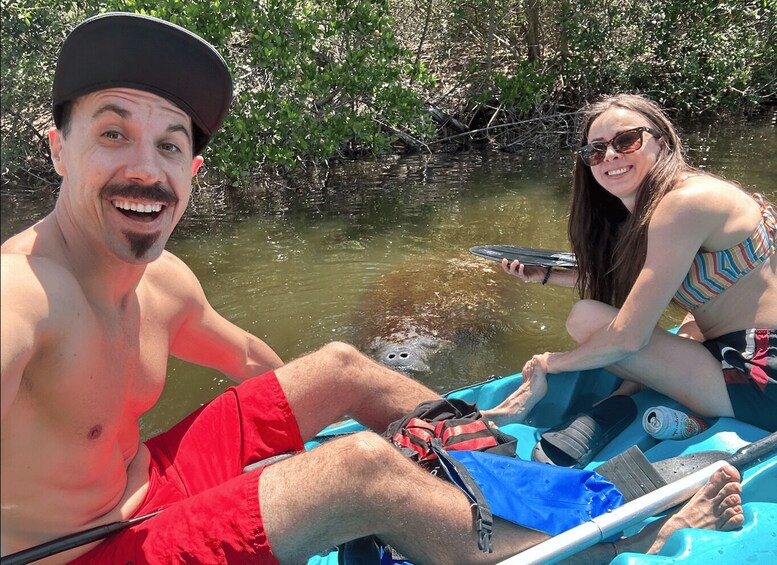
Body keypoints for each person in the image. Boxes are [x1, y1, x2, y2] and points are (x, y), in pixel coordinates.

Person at [0, 15, 745, 564]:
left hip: (149, 478)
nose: (145, 168)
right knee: (355, 469)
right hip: (84, 550)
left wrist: (292, 456)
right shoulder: (19, 294)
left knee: (338, 365)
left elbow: (260, 366)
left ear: (191, 175)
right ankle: (585, 550)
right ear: (58, 147)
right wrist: (326, 481)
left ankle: (501, 475)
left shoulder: (161, 278)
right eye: (112, 132)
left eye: (170, 144)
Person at [483, 93, 776, 433]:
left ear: (662, 143)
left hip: (761, 377)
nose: (610, 155)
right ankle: (632, 390)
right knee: (595, 319)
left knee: (586, 319)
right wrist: (546, 275)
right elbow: (649, 276)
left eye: (626, 140)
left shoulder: (682, 205)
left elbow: (628, 338)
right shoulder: (687, 193)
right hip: (741, 351)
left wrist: (551, 364)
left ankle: (629, 392)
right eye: (596, 150)